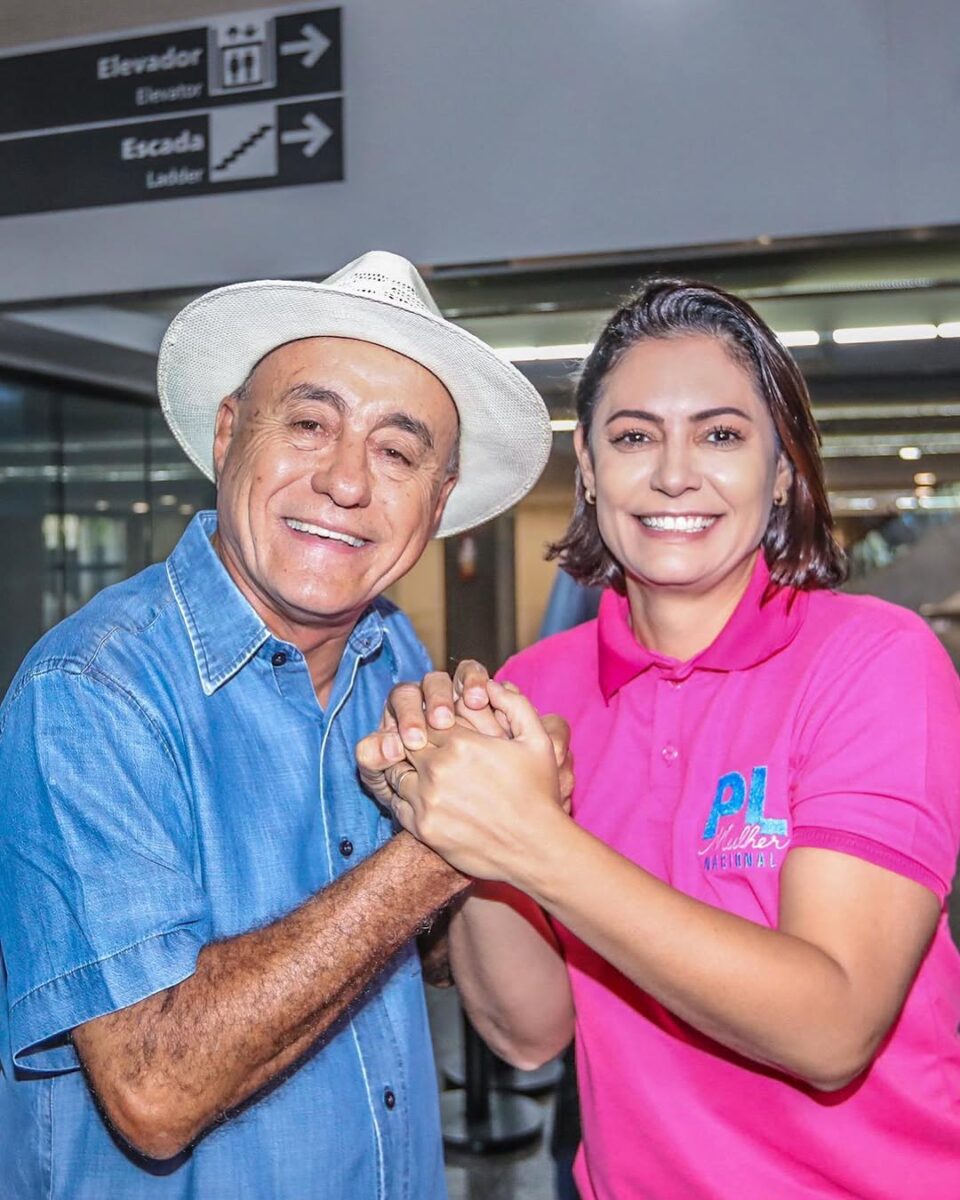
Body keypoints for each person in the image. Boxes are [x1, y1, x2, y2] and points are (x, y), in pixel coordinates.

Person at [360, 279, 960, 1199]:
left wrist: (531, 836)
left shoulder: (876, 661)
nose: (675, 474)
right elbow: (529, 1033)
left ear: (783, 469)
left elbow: (833, 1027)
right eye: (634, 437)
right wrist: (461, 820)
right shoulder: (536, 690)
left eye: (721, 435)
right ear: (589, 468)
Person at [0, 250, 560, 1198]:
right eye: (309, 425)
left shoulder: (393, 652)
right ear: (228, 436)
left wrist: (511, 812)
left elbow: (423, 956)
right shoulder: (89, 691)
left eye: (397, 452)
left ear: (437, 503)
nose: (346, 481)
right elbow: (154, 1088)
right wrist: (454, 839)